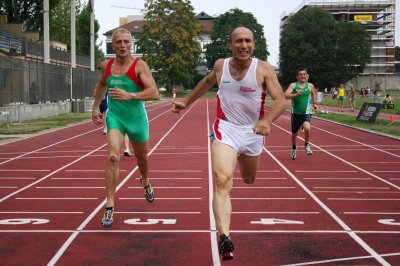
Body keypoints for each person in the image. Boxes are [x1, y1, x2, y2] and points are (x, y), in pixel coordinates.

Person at [172, 26, 286, 261]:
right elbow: (206, 82)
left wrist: (266, 120)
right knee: (222, 179)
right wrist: (186, 102)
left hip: (254, 131)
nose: (243, 45)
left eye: (248, 41)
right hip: (226, 129)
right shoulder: (220, 65)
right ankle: (224, 236)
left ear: (253, 44)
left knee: (248, 179)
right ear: (230, 45)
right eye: (238, 41)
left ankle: (225, 231)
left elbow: (281, 100)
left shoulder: (263, 68)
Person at [92, 28, 159, 227]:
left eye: (126, 42)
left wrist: (131, 95)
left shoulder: (139, 66)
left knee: (142, 157)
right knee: (113, 155)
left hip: (136, 118)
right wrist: (95, 107)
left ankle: (145, 181)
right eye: (118, 42)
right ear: (113, 46)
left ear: (131, 45)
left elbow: (154, 92)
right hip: (115, 117)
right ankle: (110, 205)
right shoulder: (107, 66)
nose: (123, 46)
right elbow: (101, 86)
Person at [284, 68, 318, 160]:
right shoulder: (293, 85)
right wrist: (295, 95)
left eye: (304, 74)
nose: (303, 76)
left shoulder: (310, 85)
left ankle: (307, 145)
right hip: (296, 113)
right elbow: (285, 95)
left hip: (306, 112)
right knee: (294, 134)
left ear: (306, 75)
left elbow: (314, 93)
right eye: (300, 74)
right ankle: (294, 148)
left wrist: (315, 103)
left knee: (307, 127)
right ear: (297, 76)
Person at [93, 65, 109, 134]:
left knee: (106, 114)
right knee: (100, 116)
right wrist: (98, 95)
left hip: (106, 102)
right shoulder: (97, 86)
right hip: (100, 103)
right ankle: (105, 125)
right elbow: (94, 93)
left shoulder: (108, 85)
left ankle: (105, 128)